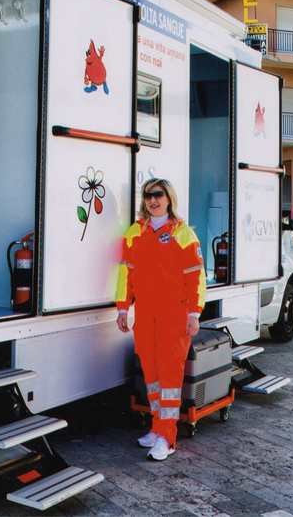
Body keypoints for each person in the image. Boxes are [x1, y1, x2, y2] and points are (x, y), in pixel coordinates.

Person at [115, 178, 205, 461]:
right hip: (144, 314)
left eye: (158, 195)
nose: (153, 200)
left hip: (173, 316)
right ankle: (157, 428)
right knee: (151, 375)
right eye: (148, 196)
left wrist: (194, 313)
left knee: (169, 376)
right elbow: (125, 273)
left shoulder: (183, 233)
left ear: (169, 199)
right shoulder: (134, 233)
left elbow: (197, 277)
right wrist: (122, 308)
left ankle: (167, 437)